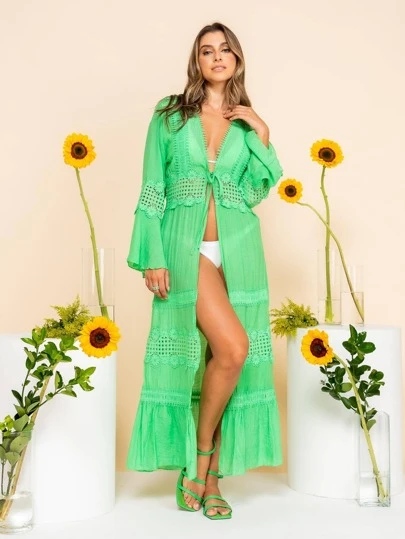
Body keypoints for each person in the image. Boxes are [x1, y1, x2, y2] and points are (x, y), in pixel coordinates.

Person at [126, 21, 283, 520]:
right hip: (183, 246)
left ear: (237, 59)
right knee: (234, 347)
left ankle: (210, 479)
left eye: (225, 50)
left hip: (238, 249)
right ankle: (200, 460)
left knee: (221, 359)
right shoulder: (170, 114)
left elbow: (254, 191)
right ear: (196, 61)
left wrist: (263, 134)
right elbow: (153, 185)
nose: (217, 57)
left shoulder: (244, 124)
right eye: (207, 50)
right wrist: (152, 254)